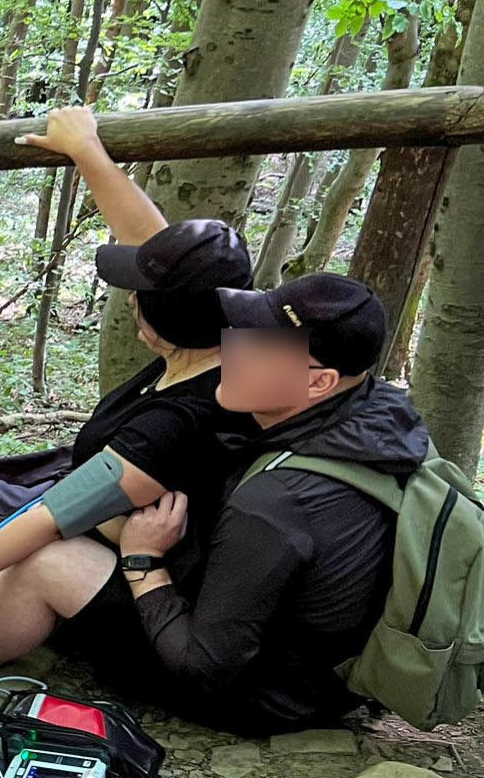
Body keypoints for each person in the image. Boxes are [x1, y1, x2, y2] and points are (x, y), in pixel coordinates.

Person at [0, 108, 259, 699]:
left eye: (139, 293)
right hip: (95, 525)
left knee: (12, 545)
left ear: (160, 316)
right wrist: (88, 152)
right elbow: (154, 243)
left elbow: (53, 519)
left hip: (152, 585)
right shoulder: (222, 331)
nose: (129, 298)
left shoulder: (179, 421)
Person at [104, 273, 423, 733]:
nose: (231, 348)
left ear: (318, 382)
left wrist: (144, 561)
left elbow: (203, 667)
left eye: (260, 345)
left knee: (61, 564)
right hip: (328, 674)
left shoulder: (276, 500)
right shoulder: (383, 416)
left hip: (268, 701)